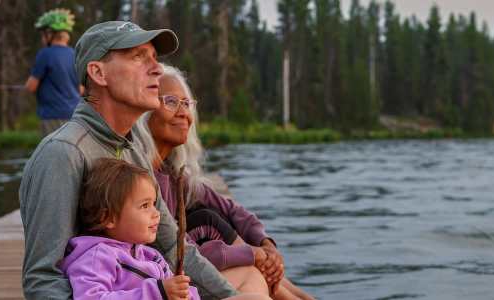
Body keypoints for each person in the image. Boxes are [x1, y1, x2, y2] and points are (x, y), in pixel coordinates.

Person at [19, 21, 250, 300]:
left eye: (155, 58)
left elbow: (173, 248)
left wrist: (230, 297)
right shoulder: (63, 154)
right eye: (138, 57)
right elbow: (43, 281)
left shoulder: (134, 151)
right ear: (98, 73)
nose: (156, 69)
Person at [135, 64, 314, 300]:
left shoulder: (172, 173)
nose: (183, 112)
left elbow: (231, 209)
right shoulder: (140, 180)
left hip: (183, 275)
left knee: (216, 222)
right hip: (161, 285)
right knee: (252, 274)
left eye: (186, 104)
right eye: (170, 101)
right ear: (144, 111)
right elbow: (180, 254)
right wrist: (251, 253)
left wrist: (266, 244)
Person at [60, 158, 198, 300]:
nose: (156, 213)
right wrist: (158, 292)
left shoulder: (152, 256)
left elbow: (173, 290)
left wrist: (184, 293)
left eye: (154, 203)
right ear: (108, 217)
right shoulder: (97, 258)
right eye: (145, 205)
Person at [24, 8, 83, 137]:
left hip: (52, 116)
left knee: (53, 154)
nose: (42, 38)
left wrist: (28, 86)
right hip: (75, 116)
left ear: (50, 33)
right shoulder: (75, 55)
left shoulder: (45, 54)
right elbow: (81, 89)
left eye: (43, 34)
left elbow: (31, 86)